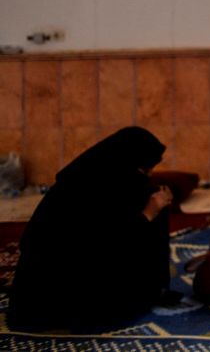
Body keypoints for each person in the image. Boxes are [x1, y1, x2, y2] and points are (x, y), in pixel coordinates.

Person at [8, 126, 174, 331]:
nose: (148, 175)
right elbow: (105, 243)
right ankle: (146, 293)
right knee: (154, 216)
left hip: (42, 294)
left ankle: (152, 290)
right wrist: (150, 212)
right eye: (143, 169)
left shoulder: (91, 175)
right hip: (66, 292)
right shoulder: (95, 191)